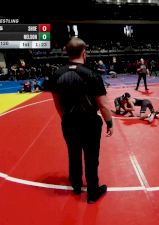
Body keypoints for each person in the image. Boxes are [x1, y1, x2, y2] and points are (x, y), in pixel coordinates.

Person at [51, 37, 113, 204]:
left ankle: (76, 185)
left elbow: (57, 103)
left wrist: (65, 119)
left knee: (74, 153)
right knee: (91, 157)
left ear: (67, 53)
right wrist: (110, 123)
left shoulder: (57, 74)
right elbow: (103, 105)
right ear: (84, 53)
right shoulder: (92, 74)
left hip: (69, 122)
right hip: (89, 123)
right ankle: (93, 192)